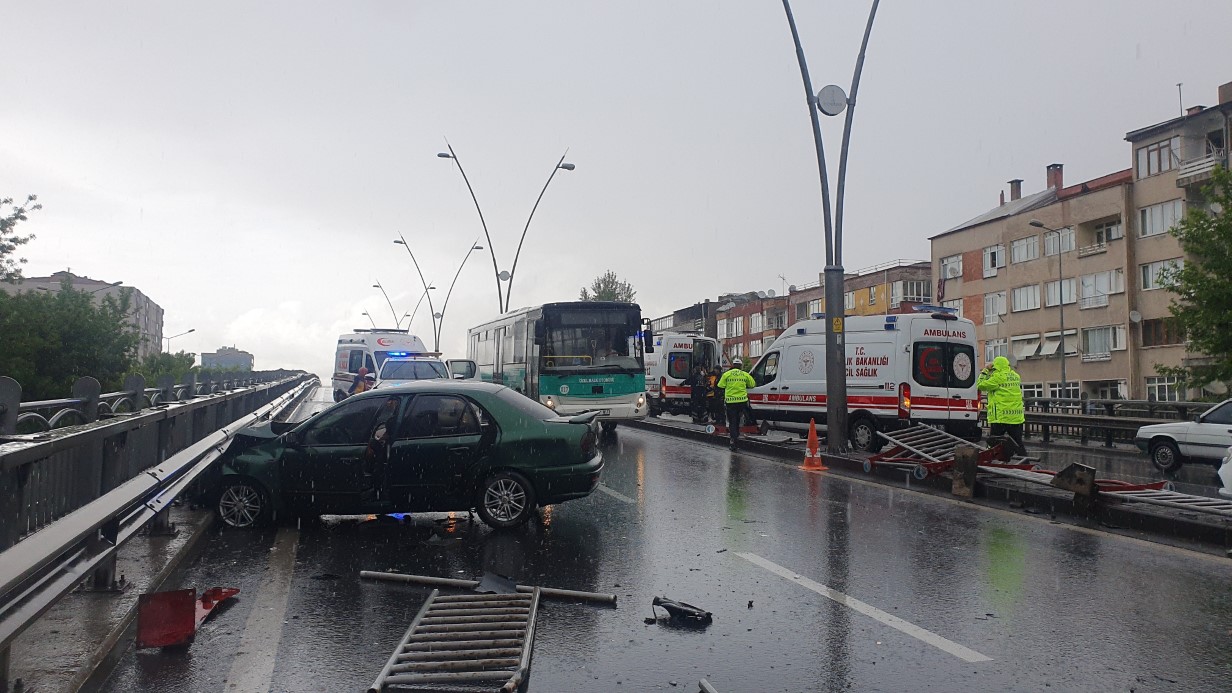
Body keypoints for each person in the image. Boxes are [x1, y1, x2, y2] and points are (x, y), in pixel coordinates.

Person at [977, 355, 1025, 456]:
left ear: (997, 367)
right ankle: (1026, 463)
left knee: (993, 443)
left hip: (1001, 417)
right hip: (1016, 418)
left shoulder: (998, 377)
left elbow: (980, 385)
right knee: (1018, 443)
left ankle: (991, 461)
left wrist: (985, 371)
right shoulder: (1016, 376)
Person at [718, 358, 757, 451]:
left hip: (731, 402)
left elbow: (720, 385)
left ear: (733, 365)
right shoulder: (745, 374)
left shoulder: (726, 374)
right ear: (741, 366)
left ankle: (733, 440)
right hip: (742, 402)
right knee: (738, 420)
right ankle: (737, 437)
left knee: (732, 421)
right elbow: (752, 384)